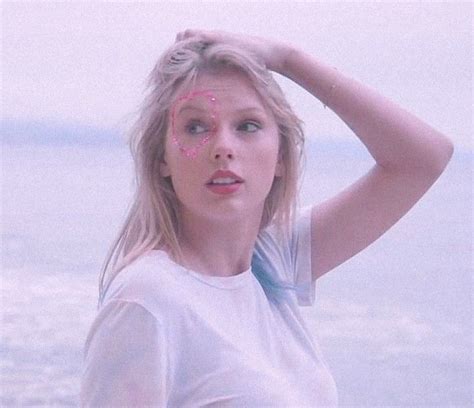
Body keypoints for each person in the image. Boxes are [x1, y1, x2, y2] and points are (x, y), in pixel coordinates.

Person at [80, 29, 453, 406]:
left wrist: (287, 58)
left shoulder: (272, 261)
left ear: (280, 157)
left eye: (247, 126)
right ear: (162, 158)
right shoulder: (146, 302)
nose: (223, 147)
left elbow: (422, 158)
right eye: (195, 127)